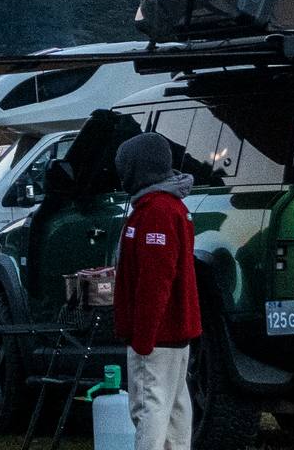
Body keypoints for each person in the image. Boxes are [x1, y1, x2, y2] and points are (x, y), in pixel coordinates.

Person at [112, 132, 202, 450]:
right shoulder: (166, 207)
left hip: (157, 335)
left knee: (149, 405)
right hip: (174, 333)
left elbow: (156, 279)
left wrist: (144, 338)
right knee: (174, 407)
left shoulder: (156, 212)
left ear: (138, 169)